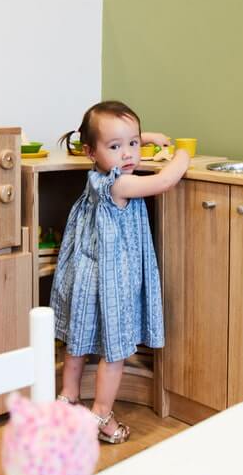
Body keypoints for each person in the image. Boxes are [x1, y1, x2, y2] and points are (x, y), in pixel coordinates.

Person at [51, 100, 190, 443]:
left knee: (77, 342)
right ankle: (101, 415)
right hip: (111, 282)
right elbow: (166, 180)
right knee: (114, 352)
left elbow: (124, 146)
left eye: (133, 143)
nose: (128, 154)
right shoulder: (120, 185)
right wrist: (182, 155)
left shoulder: (98, 176)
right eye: (116, 147)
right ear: (91, 152)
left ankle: (67, 399)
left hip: (85, 273)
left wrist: (147, 137)